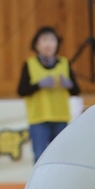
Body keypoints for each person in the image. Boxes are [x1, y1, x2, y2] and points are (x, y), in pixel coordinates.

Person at [17, 27, 80, 162]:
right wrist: (38, 85)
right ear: (36, 44)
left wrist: (69, 84)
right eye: (44, 40)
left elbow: (76, 90)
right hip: (38, 119)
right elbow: (21, 90)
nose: (49, 44)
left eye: (52, 40)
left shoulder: (64, 63)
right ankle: (40, 183)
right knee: (39, 156)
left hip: (60, 117)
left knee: (61, 157)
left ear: (57, 44)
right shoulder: (30, 64)